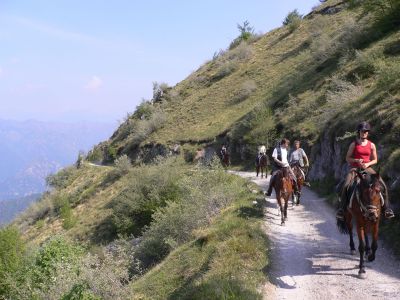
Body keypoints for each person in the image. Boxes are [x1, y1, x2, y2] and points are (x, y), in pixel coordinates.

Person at [336, 122, 394, 220]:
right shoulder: (353, 144)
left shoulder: (372, 145)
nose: (364, 133)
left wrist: (367, 164)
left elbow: (375, 160)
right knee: (346, 185)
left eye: (366, 131)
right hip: (355, 169)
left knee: (382, 184)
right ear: (359, 132)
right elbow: (347, 158)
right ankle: (342, 210)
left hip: (368, 168)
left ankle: (386, 209)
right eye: (363, 131)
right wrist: (356, 160)